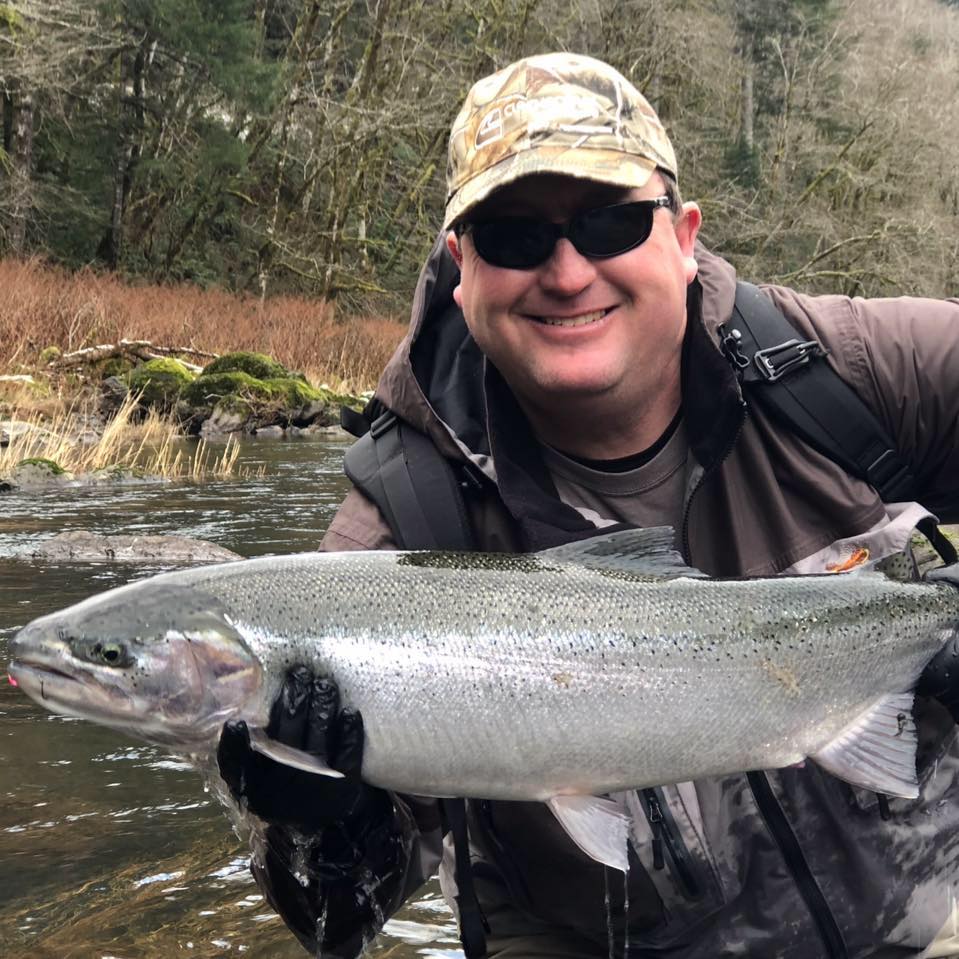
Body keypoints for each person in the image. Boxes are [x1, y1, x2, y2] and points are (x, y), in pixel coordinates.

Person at [217, 53, 959, 958]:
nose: (567, 273)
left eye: (610, 223)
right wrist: (306, 816)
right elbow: (338, 923)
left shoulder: (842, 372)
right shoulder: (400, 526)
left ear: (683, 236)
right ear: (461, 265)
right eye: (514, 237)